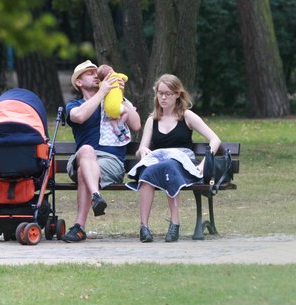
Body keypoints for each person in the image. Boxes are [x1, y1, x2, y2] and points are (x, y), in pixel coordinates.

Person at [126, 74, 220, 243]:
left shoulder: (187, 116)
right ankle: (144, 227)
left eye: (168, 93)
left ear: (178, 94)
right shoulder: (152, 120)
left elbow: (215, 140)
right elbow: (141, 150)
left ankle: (175, 223)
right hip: (159, 162)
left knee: (170, 166)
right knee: (147, 173)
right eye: (160, 93)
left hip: (183, 164)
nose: (163, 97)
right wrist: (144, 150)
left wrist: (203, 163)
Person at [62, 59, 142, 242]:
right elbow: (80, 117)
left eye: (96, 72)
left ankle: (79, 227)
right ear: (79, 83)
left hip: (111, 162)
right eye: (89, 73)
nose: (95, 75)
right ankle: (96, 195)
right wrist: (102, 93)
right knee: (87, 151)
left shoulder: (114, 102)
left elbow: (136, 125)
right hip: (82, 157)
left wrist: (119, 95)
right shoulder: (74, 105)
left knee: (85, 170)